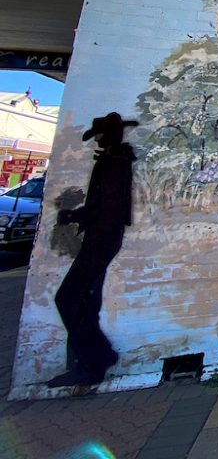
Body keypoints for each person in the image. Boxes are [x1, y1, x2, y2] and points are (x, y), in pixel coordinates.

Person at [49, 112, 138, 388]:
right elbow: (105, 206)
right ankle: (96, 358)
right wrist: (78, 217)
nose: (96, 139)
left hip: (101, 239)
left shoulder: (113, 163)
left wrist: (80, 218)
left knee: (69, 298)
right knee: (85, 299)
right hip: (102, 237)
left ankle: (93, 360)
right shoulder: (114, 161)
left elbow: (108, 209)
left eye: (99, 134)